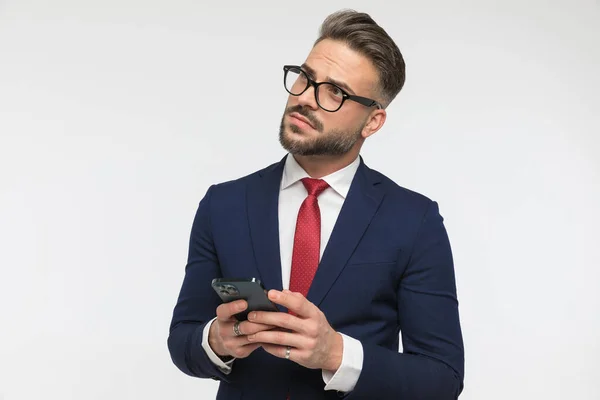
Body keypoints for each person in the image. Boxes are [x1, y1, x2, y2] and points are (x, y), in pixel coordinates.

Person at [167, 9, 464, 400]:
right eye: (305, 78)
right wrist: (217, 340)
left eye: (334, 92)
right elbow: (183, 341)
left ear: (372, 122)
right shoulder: (223, 203)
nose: (305, 98)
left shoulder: (414, 220)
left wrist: (336, 353)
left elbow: (442, 378)